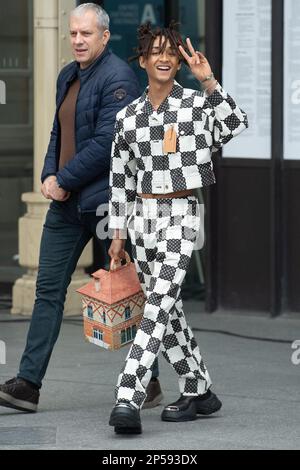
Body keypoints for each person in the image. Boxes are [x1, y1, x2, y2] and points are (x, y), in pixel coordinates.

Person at [0, 4, 163, 413]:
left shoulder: (119, 78)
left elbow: (107, 144)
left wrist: (63, 179)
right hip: (68, 204)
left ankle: (150, 381)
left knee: (132, 289)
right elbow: (58, 131)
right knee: (48, 291)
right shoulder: (67, 75)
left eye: (86, 34)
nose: (77, 40)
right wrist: (47, 175)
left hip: (110, 204)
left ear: (105, 37)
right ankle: (28, 386)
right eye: (73, 33)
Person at [108, 22, 248, 434]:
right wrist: (117, 234)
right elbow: (120, 179)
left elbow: (235, 124)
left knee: (156, 307)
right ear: (144, 60)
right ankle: (199, 389)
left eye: (171, 51)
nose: (165, 57)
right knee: (167, 311)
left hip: (182, 214)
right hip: (142, 219)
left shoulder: (195, 106)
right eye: (157, 52)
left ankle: (127, 396)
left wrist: (208, 81)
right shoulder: (127, 118)